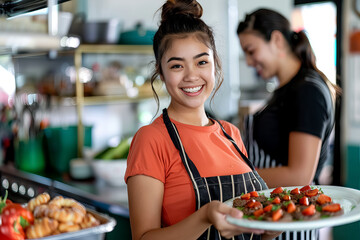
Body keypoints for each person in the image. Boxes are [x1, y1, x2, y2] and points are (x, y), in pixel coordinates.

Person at [124, 1, 282, 240]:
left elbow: (256, 230)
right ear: (161, 72)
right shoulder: (151, 139)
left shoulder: (230, 133)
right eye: (176, 65)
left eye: (201, 62)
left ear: (214, 64)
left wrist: (273, 222)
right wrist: (205, 216)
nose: (191, 76)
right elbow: (143, 237)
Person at [237, 8, 341, 240]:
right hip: (273, 219)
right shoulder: (286, 89)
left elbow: (299, 175)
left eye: (251, 51)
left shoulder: (307, 91)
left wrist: (236, 178)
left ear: (276, 40)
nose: (248, 61)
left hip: (291, 224)